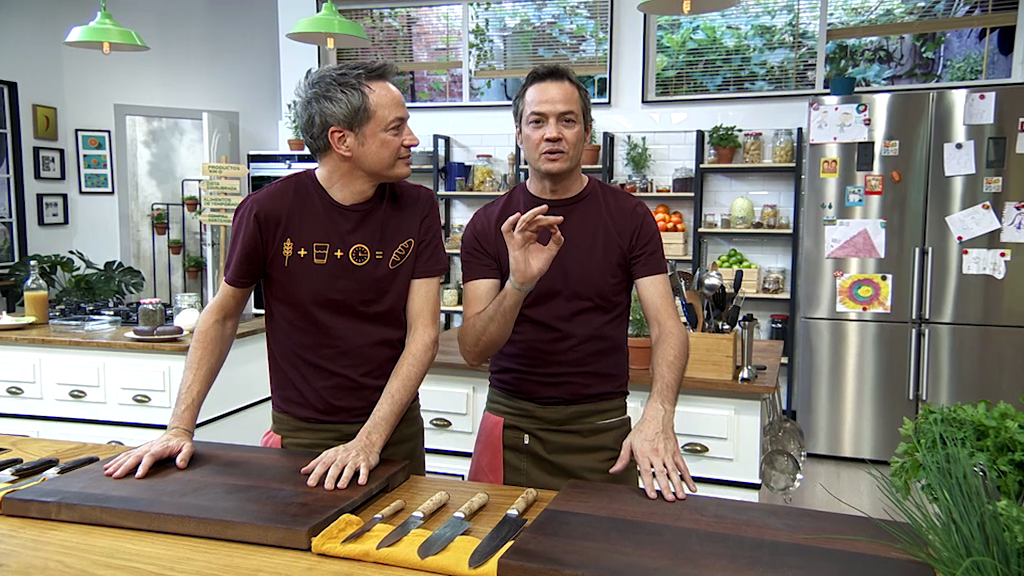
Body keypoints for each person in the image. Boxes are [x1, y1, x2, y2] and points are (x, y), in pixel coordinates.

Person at [104, 61, 448, 489]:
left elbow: (424, 334)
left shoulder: (417, 207)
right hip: (303, 434)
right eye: (396, 128)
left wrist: (368, 441)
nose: (411, 139)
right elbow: (222, 315)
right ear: (342, 140)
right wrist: (179, 428)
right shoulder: (268, 211)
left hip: (393, 430)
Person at [457, 65, 696, 501]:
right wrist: (518, 285)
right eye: (537, 121)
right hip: (512, 426)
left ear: (587, 132)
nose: (552, 133)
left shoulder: (629, 218)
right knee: (496, 546)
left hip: (602, 431)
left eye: (567, 120)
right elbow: (474, 350)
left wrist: (659, 414)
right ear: (519, 134)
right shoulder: (489, 225)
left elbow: (667, 326)